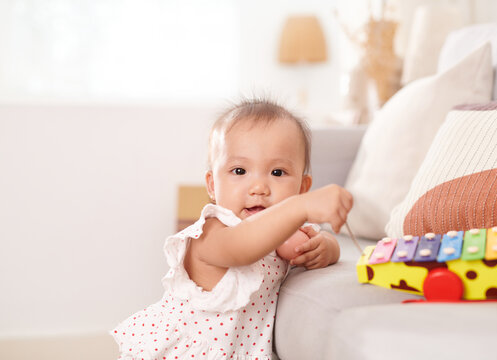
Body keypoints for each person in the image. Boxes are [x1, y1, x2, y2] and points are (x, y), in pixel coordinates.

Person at [111, 98, 353, 359]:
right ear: (213, 185)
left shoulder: (285, 232)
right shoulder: (211, 233)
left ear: (303, 186)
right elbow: (242, 246)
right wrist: (300, 207)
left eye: (278, 173)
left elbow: (322, 242)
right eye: (239, 170)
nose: (259, 187)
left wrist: (326, 247)